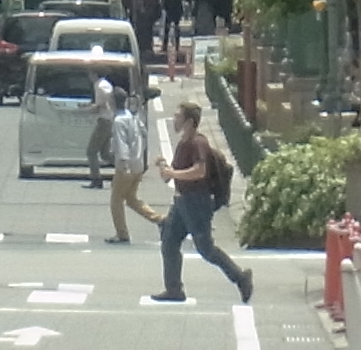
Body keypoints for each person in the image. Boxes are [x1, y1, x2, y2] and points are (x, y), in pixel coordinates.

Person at [148, 102, 252, 304]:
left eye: (178, 116)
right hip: (182, 201)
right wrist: (164, 167)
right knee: (169, 242)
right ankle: (174, 289)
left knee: (205, 249)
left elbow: (200, 171)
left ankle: (240, 278)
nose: (174, 119)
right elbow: (169, 177)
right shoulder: (183, 143)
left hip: (196, 201)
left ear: (189, 121)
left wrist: (173, 173)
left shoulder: (198, 143)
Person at [104, 80, 163, 244]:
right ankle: (159, 219)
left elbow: (121, 143)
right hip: (138, 165)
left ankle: (122, 233)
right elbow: (143, 132)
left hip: (126, 166)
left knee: (116, 201)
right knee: (131, 199)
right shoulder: (132, 117)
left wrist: (123, 163)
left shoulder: (118, 121)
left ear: (112, 102)